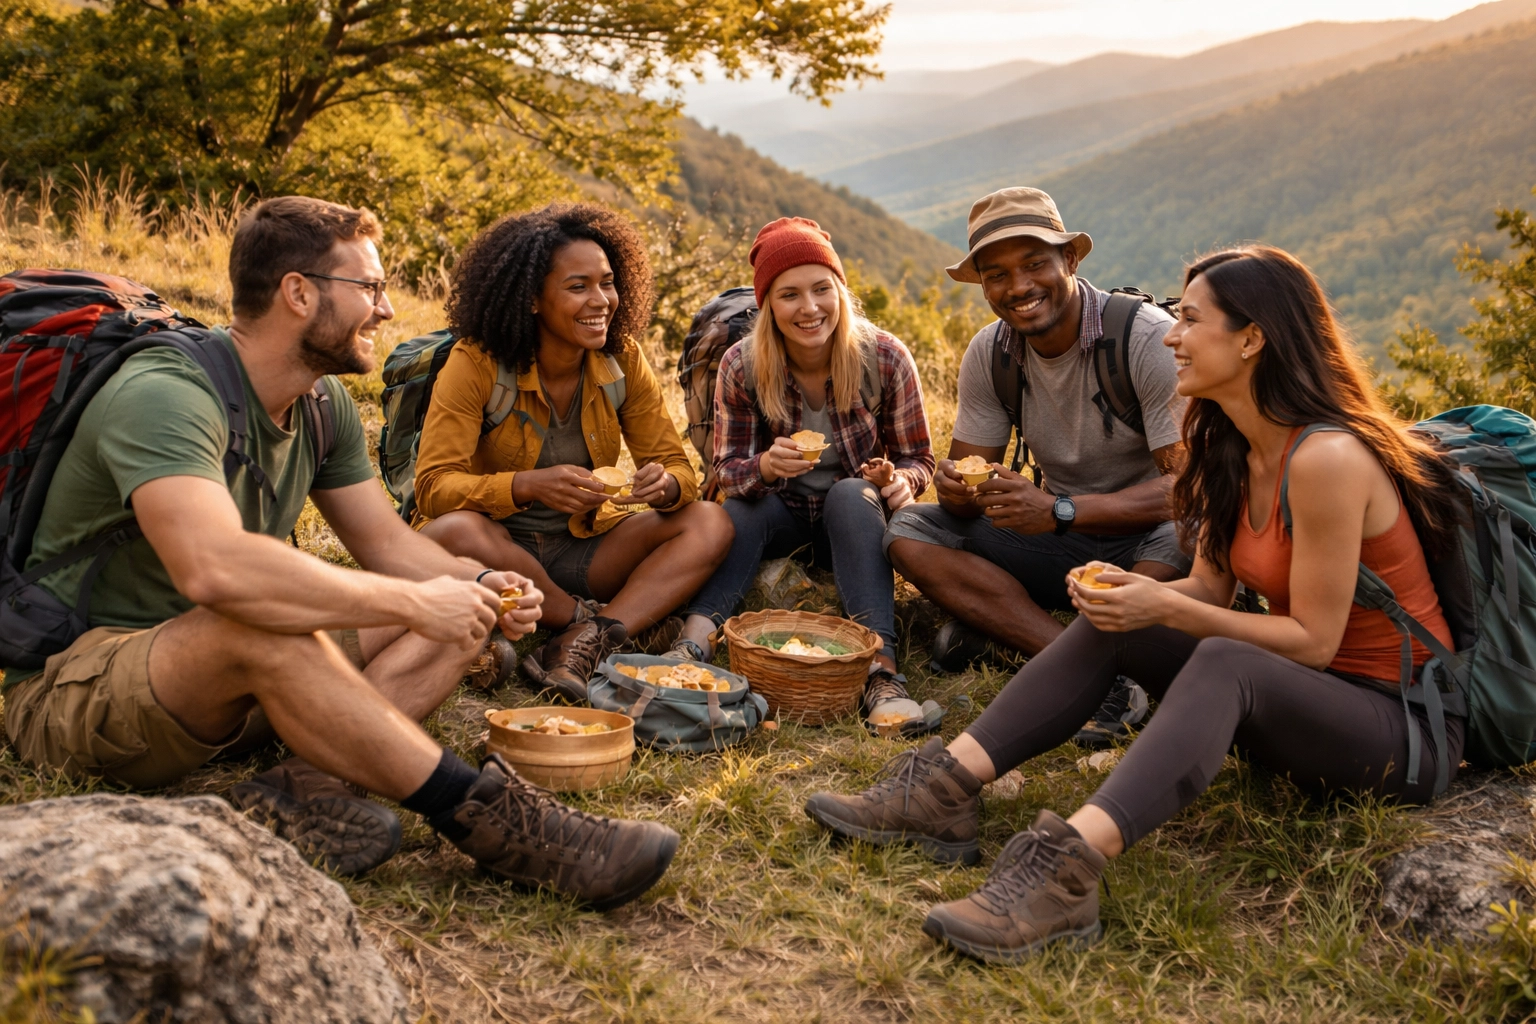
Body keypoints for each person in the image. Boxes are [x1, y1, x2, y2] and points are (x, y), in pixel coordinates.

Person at [4, 196, 678, 908]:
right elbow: (216, 568)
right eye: (371, 289)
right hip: (82, 688)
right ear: (298, 293)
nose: (387, 311)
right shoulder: (166, 395)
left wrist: (484, 583)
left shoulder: (321, 405)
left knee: (463, 609)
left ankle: (299, 786)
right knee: (260, 619)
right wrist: (418, 599)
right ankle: (498, 823)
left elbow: (388, 543)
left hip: (225, 690)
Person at [806, 244, 1467, 962]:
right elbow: (1209, 589)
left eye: (1190, 320)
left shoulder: (1328, 459)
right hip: (1305, 699)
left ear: (1252, 338)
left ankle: (1066, 871)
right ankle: (943, 791)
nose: (1173, 336)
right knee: (1124, 619)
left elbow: (1311, 639)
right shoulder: (1227, 448)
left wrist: (1163, 604)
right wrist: (1135, 595)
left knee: (1219, 659)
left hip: (1398, 728)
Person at [883, 187, 1191, 745]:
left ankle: (1014, 641)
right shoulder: (991, 353)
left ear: (1069, 260)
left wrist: (1061, 510)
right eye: (997, 274)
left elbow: (1193, 493)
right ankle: (1090, 667)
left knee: (1188, 533)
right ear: (983, 285)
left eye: (1034, 264)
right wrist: (958, 488)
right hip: (1062, 542)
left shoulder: (1143, 340)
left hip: (1149, 542)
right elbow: (965, 488)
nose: (1019, 287)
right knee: (908, 529)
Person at [413, 204, 733, 702]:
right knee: (454, 529)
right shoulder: (475, 362)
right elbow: (433, 488)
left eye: (607, 283)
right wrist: (524, 485)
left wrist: (666, 486)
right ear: (534, 299)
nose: (601, 300)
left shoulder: (621, 357)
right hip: (496, 550)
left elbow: (676, 467)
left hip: (583, 545)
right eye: (578, 286)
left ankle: (583, 636)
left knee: (710, 523)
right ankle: (584, 624)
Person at [675, 217, 936, 732]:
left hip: (855, 520)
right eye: (789, 294)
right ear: (768, 304)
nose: (810, 308)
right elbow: (728, 471)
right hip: (784, 515)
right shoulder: (742, 364)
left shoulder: (883, 357)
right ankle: (693, 645)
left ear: (840, 290)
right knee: (742, 507)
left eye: (822, 289)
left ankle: (881, 675)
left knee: (848, 493)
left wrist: (898, 481)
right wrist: (766, 466)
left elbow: (919, 459)